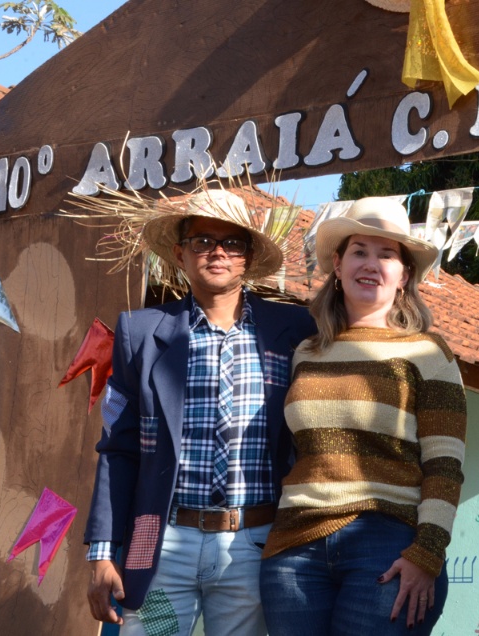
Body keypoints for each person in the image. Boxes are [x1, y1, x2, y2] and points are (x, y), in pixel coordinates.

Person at [83, 189, 316, 636]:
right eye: (203, 241)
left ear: (248, 257)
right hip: (157, 539)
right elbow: (118, 450)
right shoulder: (142, 334)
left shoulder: (292, 332)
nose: (218, 252)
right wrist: (101, 551)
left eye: (232, 243)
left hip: (253, 542)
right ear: (180, 254)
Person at [259, 197, 467, 635]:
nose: (371, 264)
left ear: (404, 274)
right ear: (337, 264)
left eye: (387, 254)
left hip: (387, 543)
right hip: (293, 550)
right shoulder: (306, 353)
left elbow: (445, 465)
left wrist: (427, 553)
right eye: (359, 251)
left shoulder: (429, 353)